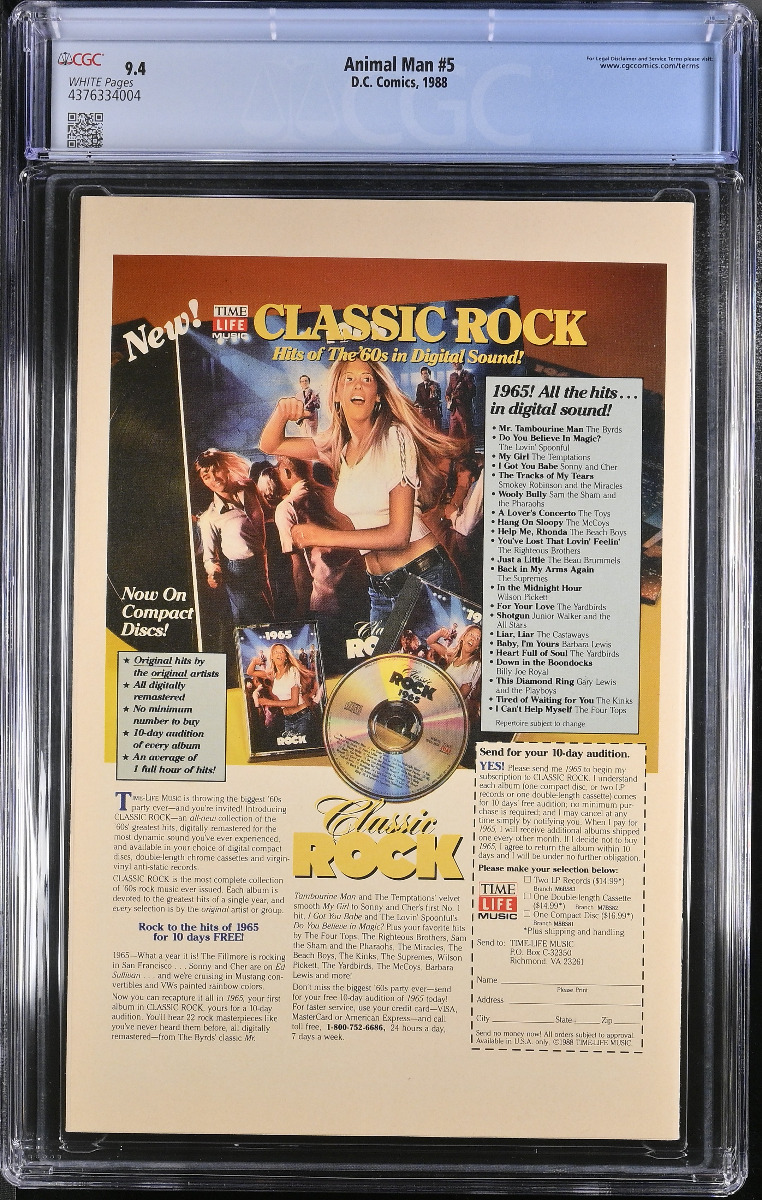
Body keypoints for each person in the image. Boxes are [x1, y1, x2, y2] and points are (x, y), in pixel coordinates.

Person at [259, 357, 461, 627]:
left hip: (424, 580)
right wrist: (282, 412)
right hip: (379, 590)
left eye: (367, 379)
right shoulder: (338, 446)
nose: (358, 385)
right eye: (349, 379)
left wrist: (322, 536)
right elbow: (270, 444)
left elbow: (399, 535)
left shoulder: (395, 436)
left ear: (377, 395)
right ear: (337, 394)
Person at [195, 449, 273, 625]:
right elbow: (209, 558)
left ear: (226, 468)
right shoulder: (209, 517)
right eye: (207, 476)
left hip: (262, 561)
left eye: (216, 470)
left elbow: (266, 514)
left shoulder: (248, 488)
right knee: (260, 622)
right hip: (239, 571)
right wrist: (213, 573)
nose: (214, 478)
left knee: (256, 620)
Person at [246, 642, 316, 740]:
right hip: (287, 718)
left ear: (286, 657)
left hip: (301, 717)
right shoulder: (273, 674)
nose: (279, 654)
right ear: (272, 657)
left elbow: (294, 702)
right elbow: (250, 672)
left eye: (282, 652)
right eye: (276, 652)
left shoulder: (292, 670)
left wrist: (268, 702)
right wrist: (254, 662)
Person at [445, 364, 476, 441]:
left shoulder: (468, 375)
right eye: (453, 361)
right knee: (452, 433)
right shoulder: (452, 376)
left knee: (466, 432)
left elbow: (472, 392)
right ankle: (454, 448)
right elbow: (449, 389)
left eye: (457, 361)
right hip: (454, 409)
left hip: (464, 409)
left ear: (462, 362)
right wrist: (447, 396)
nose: (454, 363)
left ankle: (469, 448)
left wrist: (460, 395)